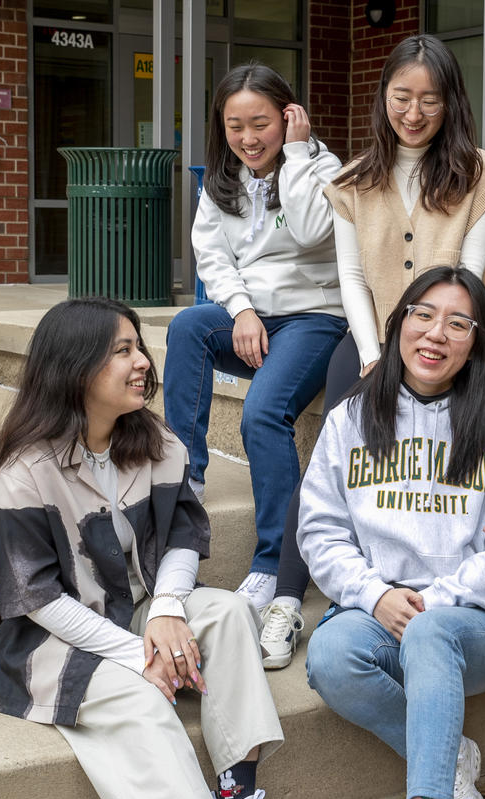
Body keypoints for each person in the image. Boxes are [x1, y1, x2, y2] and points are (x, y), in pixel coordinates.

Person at [259, 34, 485, 670]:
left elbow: (470, 277)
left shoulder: (482, 175)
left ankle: (442, 596)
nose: (413, 112)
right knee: (330, 456)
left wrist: (440, 342)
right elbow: (350, 276)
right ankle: (288, 600)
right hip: (372, 337)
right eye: (401, 97)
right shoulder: (352, 179)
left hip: (452, 338)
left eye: (429, 99)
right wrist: (375, 356)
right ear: (383, 98)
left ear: (450, 102)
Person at [0, 297, 283, 799]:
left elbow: (184, 533)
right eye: (124, 350)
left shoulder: (158, 442)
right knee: (143, 700)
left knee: (233, 613)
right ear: (75, 366)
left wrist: (166, 608)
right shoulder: (23, 470)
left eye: (138, 346)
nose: (144, 360)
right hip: (55, 638)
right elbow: (37, 596)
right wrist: (137, 653)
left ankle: (238, 795)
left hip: (140, 605)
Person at [300, 268, 485, 799]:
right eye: (424, 315)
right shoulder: (351, 418)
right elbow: (320, 531)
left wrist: (436, 602)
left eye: (459, 323)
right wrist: (373, 595)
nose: (437, 334)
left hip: (477, 626)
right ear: (399, 325)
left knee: (432, 631)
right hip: (380, 611)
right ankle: (449, 756)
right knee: (330, 656)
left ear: (476, 342)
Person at [163, 61, 348, 614]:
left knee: (262, 414)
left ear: (289, 116)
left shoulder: (322, 167)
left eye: (261, 123)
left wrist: (295, 154)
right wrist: (240, 310)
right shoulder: (222, 182)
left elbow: (314, 230)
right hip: (255, 322)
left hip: (316, 320)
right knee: (188, 326)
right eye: (234, 125)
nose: (248, 138)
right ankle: (187, 478)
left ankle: (272, 563)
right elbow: (213, 258)